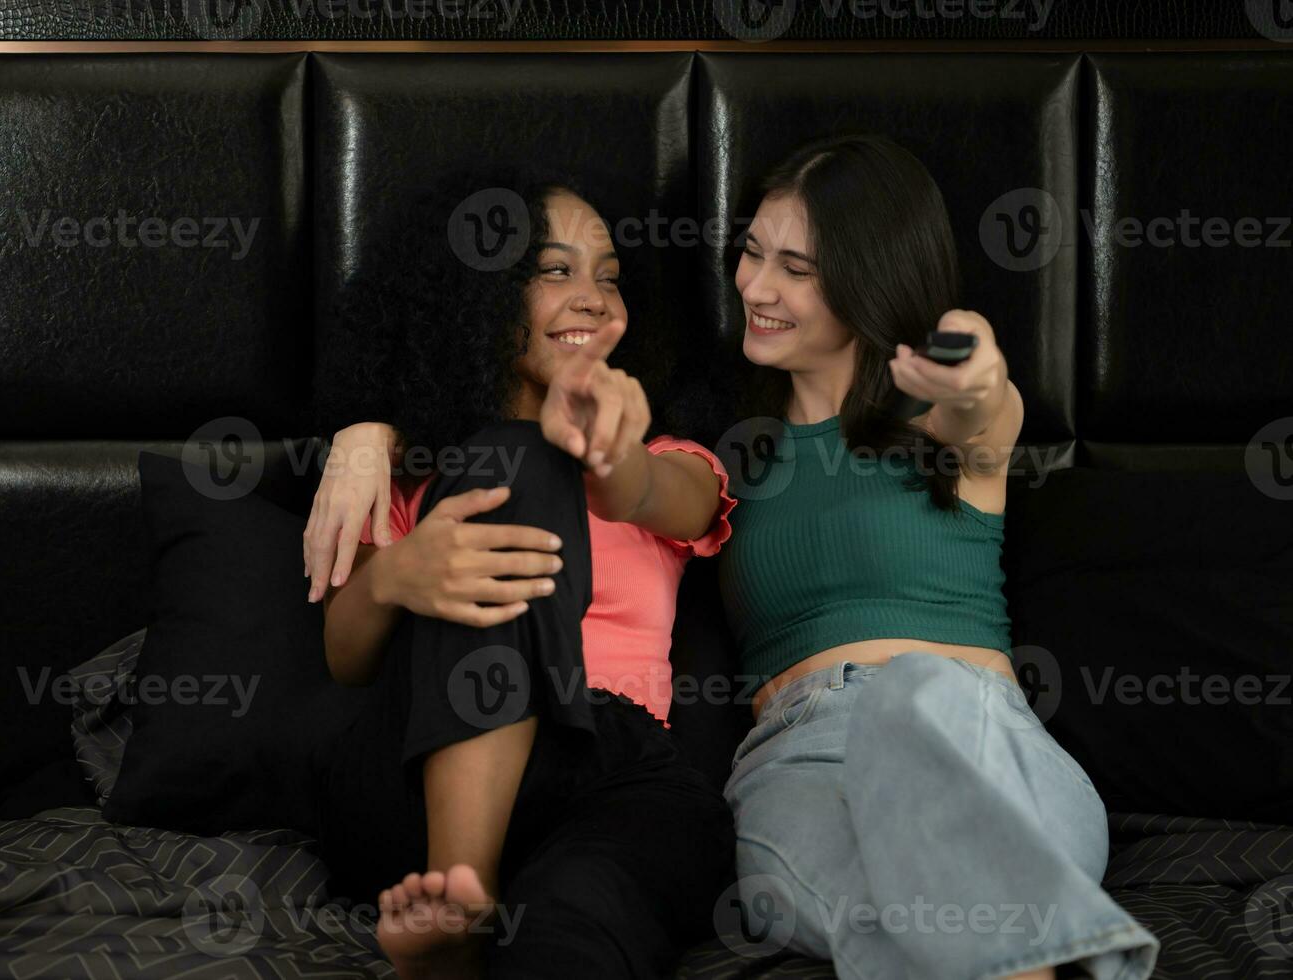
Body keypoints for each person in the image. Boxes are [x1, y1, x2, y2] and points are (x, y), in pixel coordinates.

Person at [714, 133, 1160, 979]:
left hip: (974, 736)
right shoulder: (727, 450)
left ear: (867, 280)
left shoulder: (937, 425)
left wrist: (973, 367)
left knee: (909, 699)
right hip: (800, 763)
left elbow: (980, 402)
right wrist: (377, 435)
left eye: (797, 269)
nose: (757, 288)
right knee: (899, 928)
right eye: (751, 253)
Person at [308, 173, 737, 979]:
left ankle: (464, 929)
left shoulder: (671, 460)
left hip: (610, 772)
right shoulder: (410, 482)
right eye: (555, 271)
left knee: (578, 922)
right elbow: (345, 657)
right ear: (481, 293)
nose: (593, 299)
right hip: (415, 780)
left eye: (609, 277)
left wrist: (611, 459)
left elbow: (664, 495)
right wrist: (398, 573)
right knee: (513, 457)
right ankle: (460, 897)